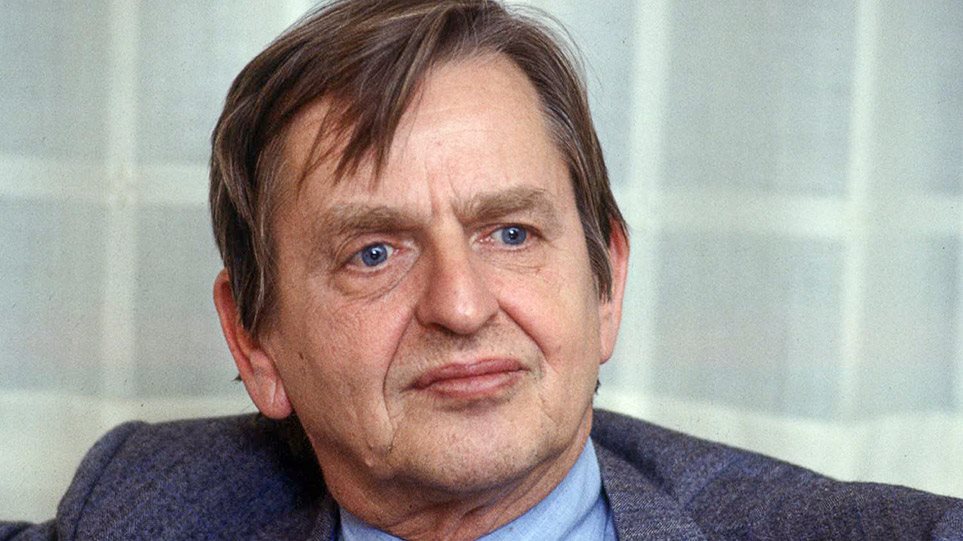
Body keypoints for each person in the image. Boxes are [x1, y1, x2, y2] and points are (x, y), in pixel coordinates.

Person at [2, 1, 962, 539]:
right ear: (255, 342)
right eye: (374, 252)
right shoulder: (142, 506)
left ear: (605, 284)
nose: (460, 306)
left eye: (509, 232)